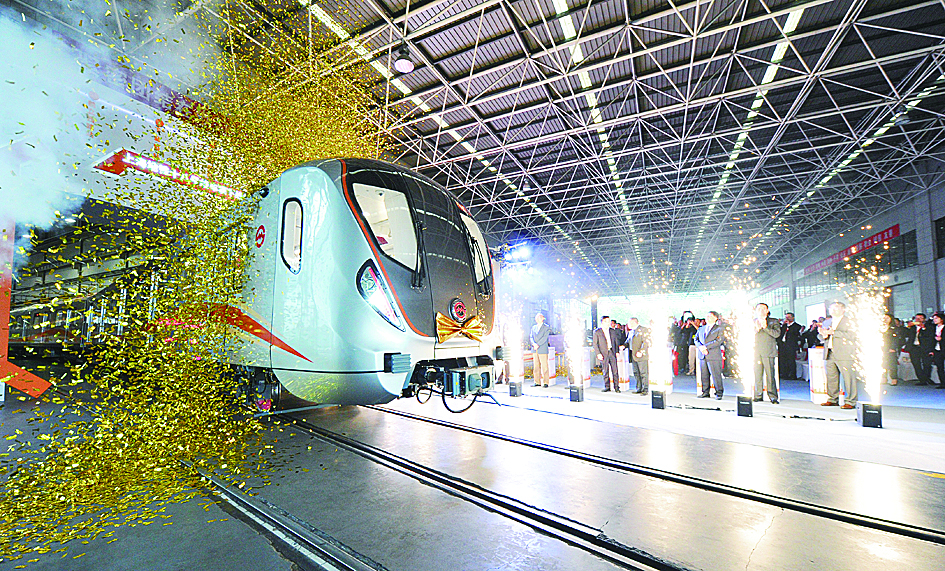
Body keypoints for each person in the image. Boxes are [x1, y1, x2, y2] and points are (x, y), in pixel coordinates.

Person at [819, 301, 858, 408]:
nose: (833, 310)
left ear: (843, 310)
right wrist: (823, 335)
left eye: (836, 308)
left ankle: (851, 401)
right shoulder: (827, 322)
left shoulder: (850, 321)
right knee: (831, 377)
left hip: (845, 353)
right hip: (829, 352)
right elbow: (822, 337)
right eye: (831, 308)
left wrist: (834, 333)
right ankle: (832, 399)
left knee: (848, 378)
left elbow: (853, 335)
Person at [753, 303, 781, 403]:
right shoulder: (753, 322)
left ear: (767, 310)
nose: (761, 311)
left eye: (763, 309)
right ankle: (758, 395)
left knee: (770, 375)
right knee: (757, 375)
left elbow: (776, 334)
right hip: (756, 352)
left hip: (768, 351)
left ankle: (773, 396)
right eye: (759, 309)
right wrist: (756, 329)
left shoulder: (773, 321)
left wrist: (765, 327)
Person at [695, 311, 725, 399]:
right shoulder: (701, 328)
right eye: (707, 316)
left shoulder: (719, 329)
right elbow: (696, 339)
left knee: (716, 375)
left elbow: (719, 341)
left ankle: (719, 393)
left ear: (715, 318)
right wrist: (700, 347)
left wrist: (706, 347)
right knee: (704, 375)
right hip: (702, 355)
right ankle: (705, 392)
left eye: (710, 316)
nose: (707, 318)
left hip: (713, 355)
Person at [904, 313, 934, 385]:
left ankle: (926, 378)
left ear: (924, 319)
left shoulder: (929, 327)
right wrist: (908, 326)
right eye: (916, 318)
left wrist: (923, 328)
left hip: (924, 348)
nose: (918, 320)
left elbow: (930, 336)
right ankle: (922, 380)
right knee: (916, 364)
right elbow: (905, 334)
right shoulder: (912, 327)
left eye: (920, 318)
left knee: (927, 364)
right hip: (914, 347)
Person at [594, 316, 620, 392]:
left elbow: (616, 342)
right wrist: (598, 353)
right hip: (603, 353)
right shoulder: (597, 332)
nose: (609, 323)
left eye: (609, 321)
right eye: (607, 321)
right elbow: (595, 344)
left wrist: (617, 351)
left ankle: (616, 387)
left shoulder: (612, 331)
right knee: (605, 370)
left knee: (615, 370)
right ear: (602, 322)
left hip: (612, 352)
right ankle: (607, 386)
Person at [627, 317, 650, 395]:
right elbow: (628, 341)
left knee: (643, 373)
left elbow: (646, 342)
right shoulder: (631, 332)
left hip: (641, 355)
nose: (628, 324)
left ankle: (645, 389)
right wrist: (624, 345)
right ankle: (639, 388)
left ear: (635, 322)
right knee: (636, 372)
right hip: (633, 355)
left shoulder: (643, 330)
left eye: (630, 323)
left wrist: (641, 351)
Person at [778, 312, 803, 380]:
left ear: (793, 318)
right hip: (783, 345)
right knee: (783, 360)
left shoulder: (797, 326)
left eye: (789, 317)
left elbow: (796, 335)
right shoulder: (784, 326)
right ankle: (784, 374)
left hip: (791, 346)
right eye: (786, 317)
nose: (787, 318)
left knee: (791, 360)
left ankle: (792, 375)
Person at [530, 312, 551, 388]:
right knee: (536, 366)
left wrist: (537, 344)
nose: (537, 319)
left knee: (544, 366)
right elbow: (531, 337)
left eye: (539, 317)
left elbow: (545, 338)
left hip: (542, 348)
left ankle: (546, 382)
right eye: (536, 318)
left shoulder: (546, 327)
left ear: (543, 318)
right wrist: (534, 344)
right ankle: (537, 382)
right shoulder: (533, 327)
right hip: (535, 349)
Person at [882, 313, 902, 386]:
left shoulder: (894, 328)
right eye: (884, 318)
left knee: (892, 364)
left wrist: (893, 347)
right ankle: (884, 378)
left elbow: (896, 339)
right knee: (882, 363)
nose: (885, 319)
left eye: (887, 318)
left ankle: (894, 378)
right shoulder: (880, 327)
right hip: (882, 348)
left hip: (890, 348)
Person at [931, 312, 945, 388]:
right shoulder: (933, 328)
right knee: (939, 367)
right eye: (934, 318)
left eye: (936, 318)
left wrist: (941, 339)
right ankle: (942, 382)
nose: (934, 320)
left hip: (943, 347)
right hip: (937, 349)